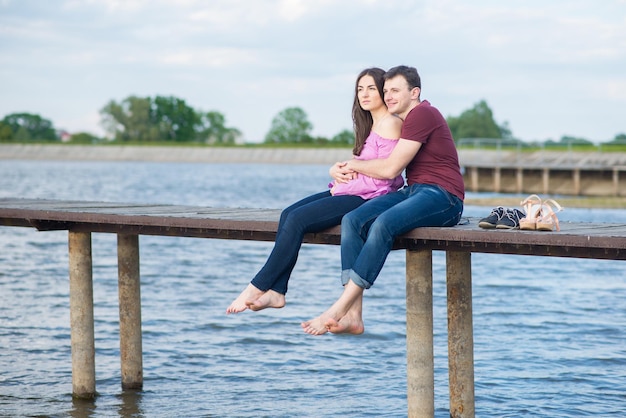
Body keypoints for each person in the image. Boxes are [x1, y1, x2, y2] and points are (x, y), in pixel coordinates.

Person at [301, 65, 465, 335]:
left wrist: (353, 164)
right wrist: (346, 168)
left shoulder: (423, 113)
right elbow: (385, 166)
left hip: (444, 197)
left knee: (383, 223)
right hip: (416, 190)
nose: (388, 96)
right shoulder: (409, 118)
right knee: (353, 220)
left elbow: (389, 169)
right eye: (386, 90)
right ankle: (354, 315)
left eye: (395, 90)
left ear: (415, 92)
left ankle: (338, 309)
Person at [226, 67, 404, 314]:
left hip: (369, 197)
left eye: (371, 88)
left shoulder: (392, 123)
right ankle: (277, 291)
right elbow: (365, 165)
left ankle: (258, 286)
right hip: (353, 190)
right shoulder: (371, 125)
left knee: (298, 219)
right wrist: (337, 171)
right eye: (360, 89)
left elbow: (387, 173)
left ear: (383, 92)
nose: (364, 94)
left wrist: (350, 171)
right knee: (289, 213)